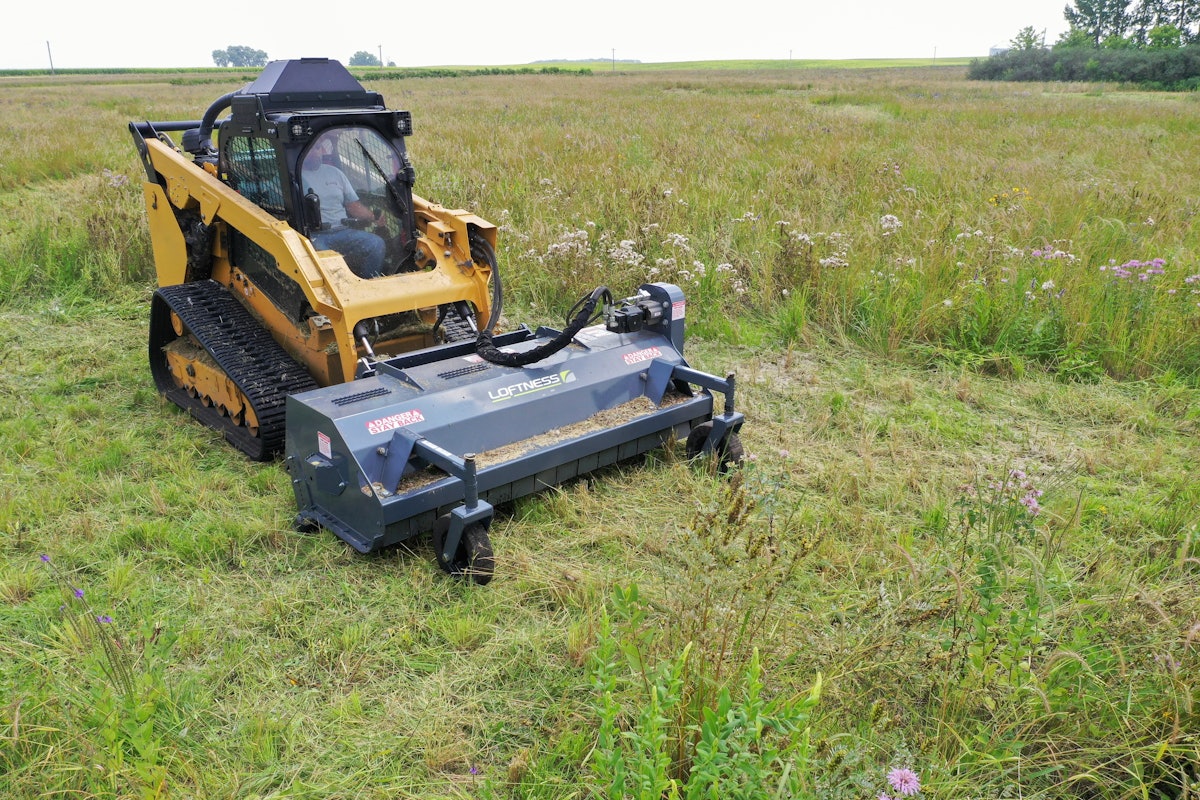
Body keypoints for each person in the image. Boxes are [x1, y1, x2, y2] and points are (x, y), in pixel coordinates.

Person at [300, 136, 386, 278]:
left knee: (376, 244)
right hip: (314, 235)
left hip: (343, 231)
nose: (316, 152)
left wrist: (373, 216)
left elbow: (353, 206)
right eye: (311, 149)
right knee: (328, 261)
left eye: (317, 148)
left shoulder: (335, 173)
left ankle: (369, 285)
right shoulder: (295, 177)